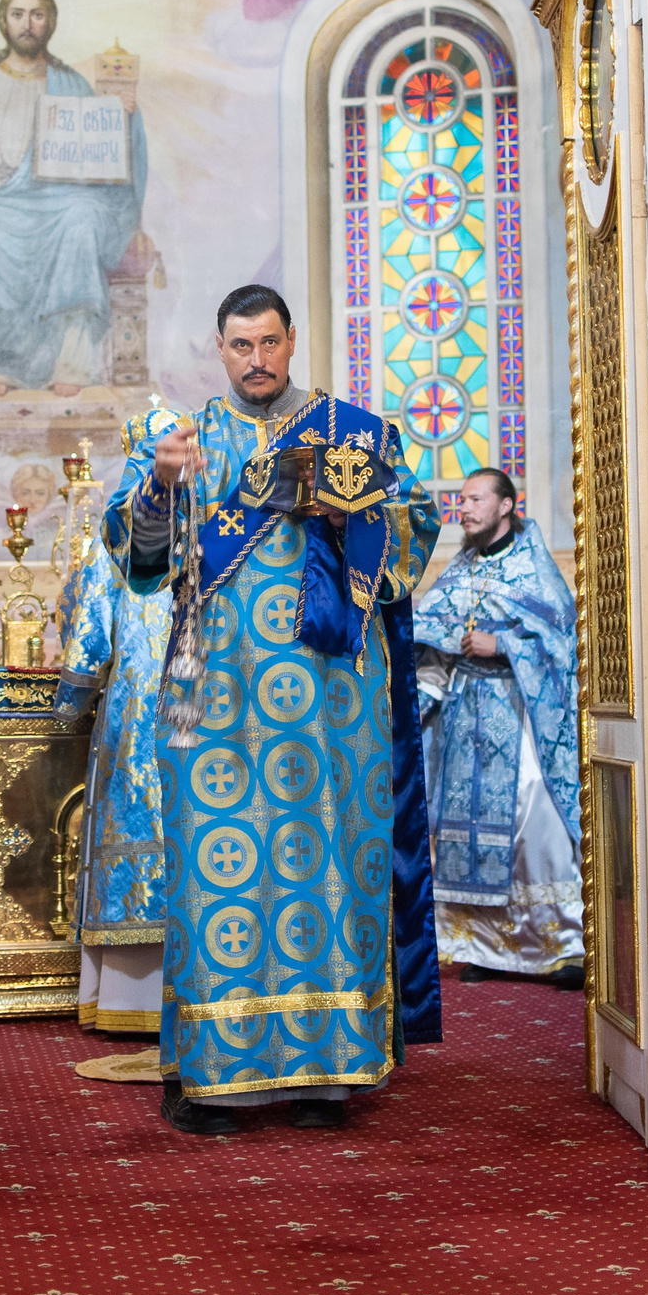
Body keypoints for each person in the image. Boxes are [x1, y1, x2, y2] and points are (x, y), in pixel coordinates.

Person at [106, 285, 440, 1134]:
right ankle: (220, 1077)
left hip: (333, 705)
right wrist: (157, 487)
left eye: (268, 342)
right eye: (239, 346)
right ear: (218, 351)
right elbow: (139, 558)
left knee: (326, 868)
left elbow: (415, 522)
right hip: (215, 698)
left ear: (293, 339)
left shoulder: (353, 434)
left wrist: (349, 509)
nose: (256, 360)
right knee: (218, 874)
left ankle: (327, 1075)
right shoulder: (189, 442)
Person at [0, 0, 148, 399]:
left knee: (82, 218)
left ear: (50, 22)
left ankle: (70, 362)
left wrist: (123, 115)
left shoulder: (69, 82)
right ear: (4, 22)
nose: (27, 24)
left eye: (37, 15)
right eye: (18, 14)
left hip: (54, 200)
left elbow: (98, 149)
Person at [414, 469, 581, 988]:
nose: (463, 509)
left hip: (518, 710)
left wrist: (504, 645)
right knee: (461, 828)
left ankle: (562, 945)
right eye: (461, 500)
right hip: (465, 716)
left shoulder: (533, 567)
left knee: (535, 825)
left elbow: (561, 638)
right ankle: (483, 946)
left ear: (506, 506)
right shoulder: (460, 569)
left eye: (475, 499)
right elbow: (428, 628)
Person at [55, 408, 181, 1034]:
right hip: (201, 695)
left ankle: (131, 1000)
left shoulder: (116, 528)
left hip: (134, 704)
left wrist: (72, 697)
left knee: (135, 808)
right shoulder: (212, 521)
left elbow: (86, 628)